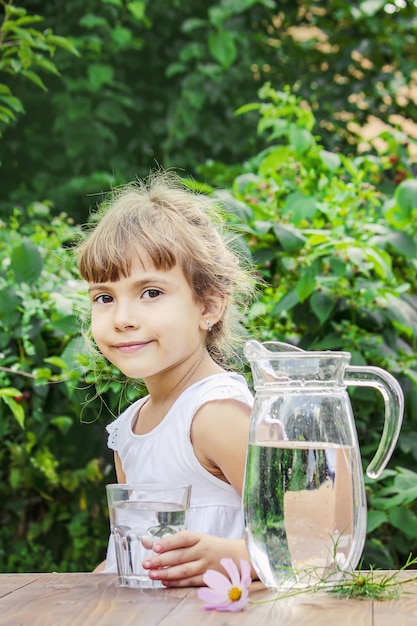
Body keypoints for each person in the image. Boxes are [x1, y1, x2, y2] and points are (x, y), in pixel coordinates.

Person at [76, 170, 257, 587]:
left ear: (208, 306)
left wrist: (235, 557)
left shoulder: (215, 416)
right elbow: (138, 556)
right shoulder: (130, 429)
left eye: (151, 293)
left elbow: (307, 537)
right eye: (105, 297)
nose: (122, 319)